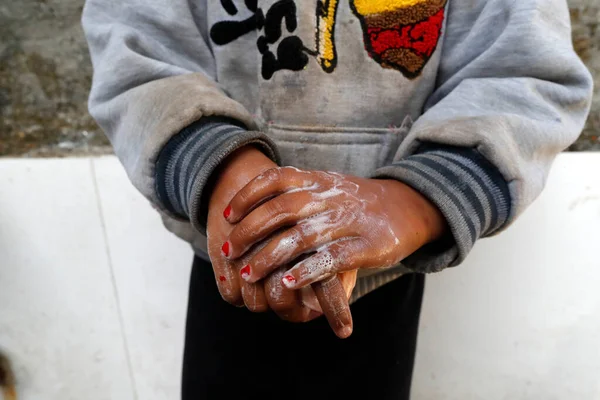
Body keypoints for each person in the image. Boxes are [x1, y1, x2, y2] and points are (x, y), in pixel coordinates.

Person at [82, 0, 593, 398]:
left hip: (383, 280)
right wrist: (222, 170)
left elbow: (524, 75)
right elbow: (138, 45)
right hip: (229, 260)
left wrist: (409, 204)